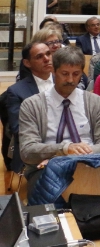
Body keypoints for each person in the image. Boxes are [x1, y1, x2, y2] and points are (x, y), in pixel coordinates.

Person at [18, 47, 100, 196]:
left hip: (91, 164)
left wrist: (69, 158)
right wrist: (64, 149)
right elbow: (27, 151)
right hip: (46, 170)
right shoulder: (32, 105)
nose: (70, 80)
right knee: (53, 192)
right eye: (64, 74)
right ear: (53, 71)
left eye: (76, 74)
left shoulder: (95, 102)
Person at [4, 43, 54, 173]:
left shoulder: (65, 82)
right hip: (34, 150)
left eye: (48, 54)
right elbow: (19, 129)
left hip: (67, 145)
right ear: (27, 63)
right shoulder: (16, 91)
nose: (46, 59)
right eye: (39, 56)